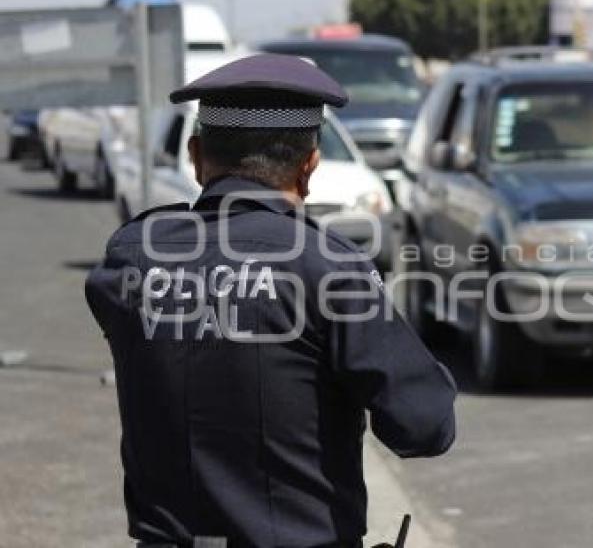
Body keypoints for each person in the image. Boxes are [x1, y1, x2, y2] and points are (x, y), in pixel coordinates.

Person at [85, 54, 457, 548]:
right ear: (309, 165)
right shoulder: (328, 268)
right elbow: (424, 426)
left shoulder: (131, 258)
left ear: (196, 158)